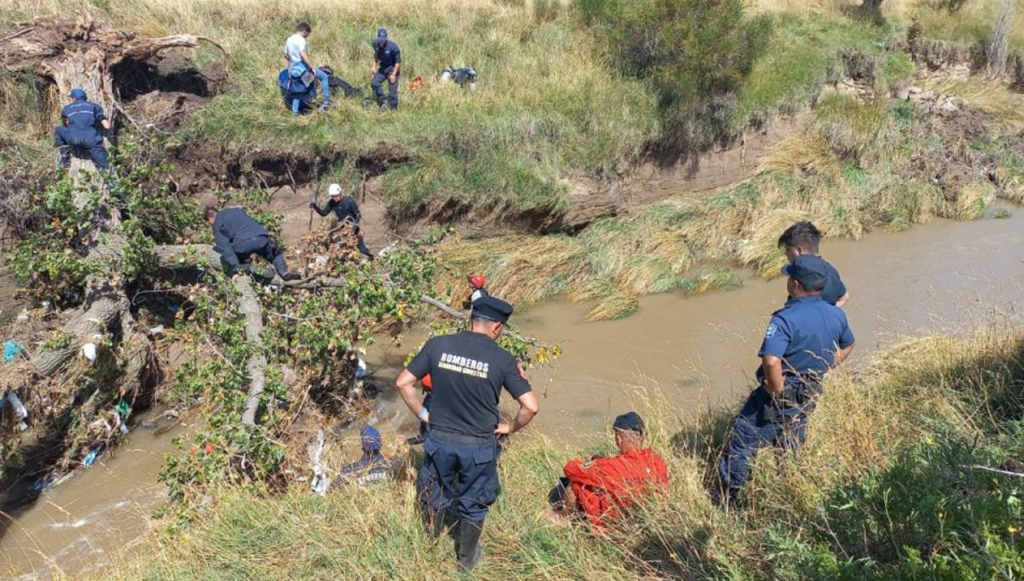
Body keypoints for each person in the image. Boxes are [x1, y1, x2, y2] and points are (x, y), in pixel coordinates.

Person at [395, 296, 539, 572]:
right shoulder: (503, 359)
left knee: (432, 495)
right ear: (497, 327)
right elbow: (531, 407)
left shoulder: (438, 344)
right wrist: (511, 427)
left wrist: (424, 415)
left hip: (439, 441)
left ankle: (429, 544)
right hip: (479, 448)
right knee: (474, 503)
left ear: (472, 319)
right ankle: (466, 560)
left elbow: (403, 383)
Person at [717, 255, 855, 504]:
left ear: (795, 284)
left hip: (781, 391)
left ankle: (731, 499)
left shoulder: (784, 319)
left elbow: (771, 361)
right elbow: (849, 344)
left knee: (741, 443)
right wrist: (828, 365)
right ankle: (790, 491)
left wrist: (776, 389)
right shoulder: (836, 315)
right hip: (811, 389)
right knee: (791, 440)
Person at [545, 411, 668, 527]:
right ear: (641, 437)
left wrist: (591, 462)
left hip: (614, 522)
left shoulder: (611, 466)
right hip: (645, 517)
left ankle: (563, 518)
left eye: (616, 437)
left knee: (576, 483)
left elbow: (570, 469)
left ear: (619, 438)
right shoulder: (657, 461)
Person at [204, 206, 301, 281]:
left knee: (227, 260)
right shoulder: (236, 210)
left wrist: (236, 266)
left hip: (242, 244)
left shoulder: (217, 224)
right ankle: (284, 272)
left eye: (208, 223)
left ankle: (249, 268)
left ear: (209, 219)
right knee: (275, 254)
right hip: (261, 237)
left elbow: (225, 247)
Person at [779, 221, 850, 307]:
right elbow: (845, 297)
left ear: (799, 251)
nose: (786, 254)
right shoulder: (831, 270)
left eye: (788, 250)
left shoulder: (800, 279)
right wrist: (830, 313)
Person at [54, 88, 111, 171]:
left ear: (74, 98)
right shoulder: (94, 106)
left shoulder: (67, 108)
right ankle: (110, 182)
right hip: (92, 139)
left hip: (73, 138)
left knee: (58, 129)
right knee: (106, 168)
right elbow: (107, 126)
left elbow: (64, 123)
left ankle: (64, 156)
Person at [311, 183, 373, 259]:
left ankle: (371, 257)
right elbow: (324, 213)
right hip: (343, 228)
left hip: (354, 227)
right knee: (341, 249)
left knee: (362, 250)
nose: (335, 198)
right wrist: (315, 207)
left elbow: (358, 215)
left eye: (336, 196)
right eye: (333, 196)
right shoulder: (332, 203)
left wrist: (355, 227)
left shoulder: (349, 201)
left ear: (340, 193)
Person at [284, 22, 331, 113]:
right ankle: (326, 102)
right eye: (307, 35)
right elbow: (302, 53)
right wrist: (311, 67)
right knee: (324, 77)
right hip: (302, 68)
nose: (307, 37)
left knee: (297, 90)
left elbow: (285, 55)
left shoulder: (289, 39)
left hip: (293, 69)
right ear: (304, 31)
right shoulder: (301, 40)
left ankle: (295, 113)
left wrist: (293, 61)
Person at [370, 28, 401, 110]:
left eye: (383, 40)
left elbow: (398, 62)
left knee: (392, 91)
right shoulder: (375, 44)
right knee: (374, 83)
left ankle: (394, 108)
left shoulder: (393, 47)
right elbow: (376, 55)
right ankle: (383, 100)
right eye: (380, 40)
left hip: (392, 68)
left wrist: (394, 74)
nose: (382, 42)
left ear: (386, 39)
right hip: (383, 67)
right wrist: (373, 66)